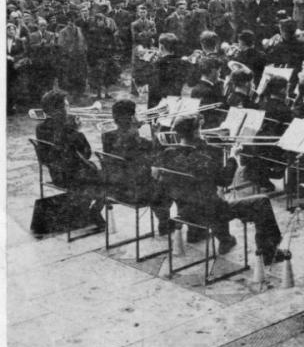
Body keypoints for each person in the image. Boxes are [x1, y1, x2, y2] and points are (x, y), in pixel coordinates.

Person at [156, 116, 289, 264]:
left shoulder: (168, 153)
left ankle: (202, 235)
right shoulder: (203, 157)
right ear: (194, 133)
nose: (201, 133)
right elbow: (224, 180)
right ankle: (269, 253)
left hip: (185, 212)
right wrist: (233, 157)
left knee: (210, 197)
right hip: (209, 213)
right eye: (199, 130)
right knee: (261, 202)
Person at [33, 89, 107, 229]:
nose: (69, 108)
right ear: (58, 109)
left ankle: (84, 208)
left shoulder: (40, 127)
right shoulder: (68, 129)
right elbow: (86, 153)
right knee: (108, 178)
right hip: (72, 176)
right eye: (66, 106)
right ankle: (95, 211)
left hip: (56, 174)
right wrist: (77, 131)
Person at [101, 99, 172, 234]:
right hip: (135, 193)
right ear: (132, 118)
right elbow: (154, 158)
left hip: (114, 189)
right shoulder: (137, 140)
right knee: (168, 182)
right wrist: (156, 135)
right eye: (136, 114)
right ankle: (164, 222)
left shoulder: (107, 136)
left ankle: (164, 221)